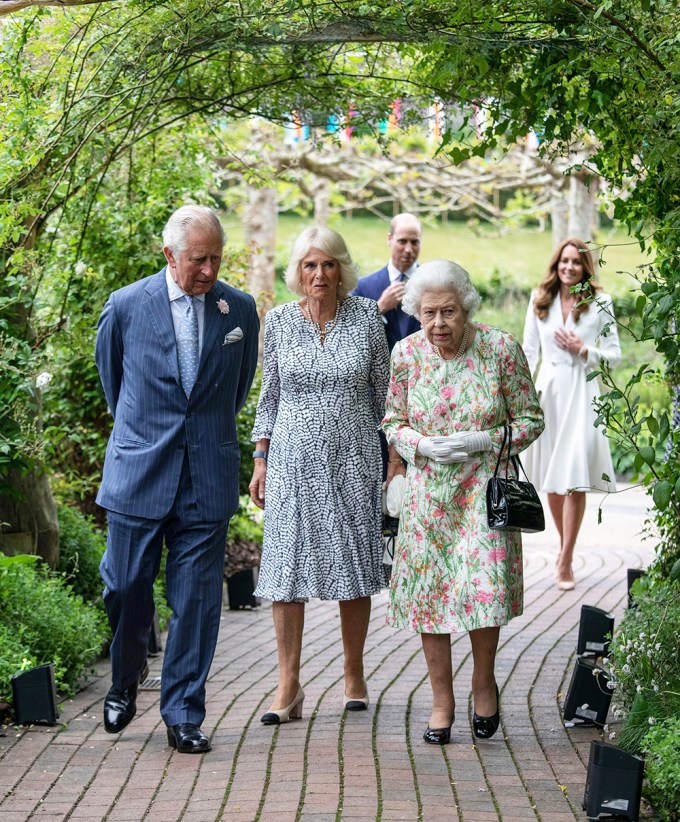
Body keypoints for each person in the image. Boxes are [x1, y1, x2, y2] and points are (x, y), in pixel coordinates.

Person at [95, 205, 259, 753]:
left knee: (196, 601)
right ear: (169, 256)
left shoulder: (239, 309)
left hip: (205, 476)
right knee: (124, 586)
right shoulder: (124, 307)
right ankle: (125, 676)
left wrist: (203, 438)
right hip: (140, 471)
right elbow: (114, 387)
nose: (209, 269)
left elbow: (235, 391)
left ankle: (184, 712)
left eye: (216, 258)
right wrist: (146, 437)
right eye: (197, 259)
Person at [382, 259, 544, 745]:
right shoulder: (407, 355)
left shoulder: (499, 350)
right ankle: (440, 700)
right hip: (430, 499)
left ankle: (482, 683)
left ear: (466, 307)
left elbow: (532, 419)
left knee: (484, 591)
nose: (438, 325)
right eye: (428, 313)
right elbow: (392, 421)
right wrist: (420, 445)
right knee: (432, 598)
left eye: (448, 312)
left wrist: (484, 440)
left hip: (483, 492)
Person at [249, 225, 390, 725]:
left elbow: (384, 395)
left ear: (342, 269)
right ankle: (289, 682)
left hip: (353, 457)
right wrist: (260, 457)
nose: (320, 274)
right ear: (298, 272)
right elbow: (270, 397)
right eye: (310, 265)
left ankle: (354, 672)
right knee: (285, 569)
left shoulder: (368, 317)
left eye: (329, 264)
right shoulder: (281, 320)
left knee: (352, 564)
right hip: (290, 460)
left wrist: (391, 457)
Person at [522, 237, 621, 591]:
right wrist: (522, 396)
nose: (569, 267)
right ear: (556, 264)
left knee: (574, 476)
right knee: (551, 477)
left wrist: (584, 350)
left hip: (581, 392)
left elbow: (614, 356)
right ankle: (565, 547)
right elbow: (528, 353)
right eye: (564, 261)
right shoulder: (540, 300)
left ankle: (564, 559)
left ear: (585, 267)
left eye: (576, 263)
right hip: (549, 393)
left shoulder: (601, 302)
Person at [353, 213, 423, 352]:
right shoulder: (363, 287)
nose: (408, 249)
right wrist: (379, 308)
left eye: (414, 242)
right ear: (389, 239)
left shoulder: (434, 284)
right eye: (402, 241)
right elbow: (351, 336)